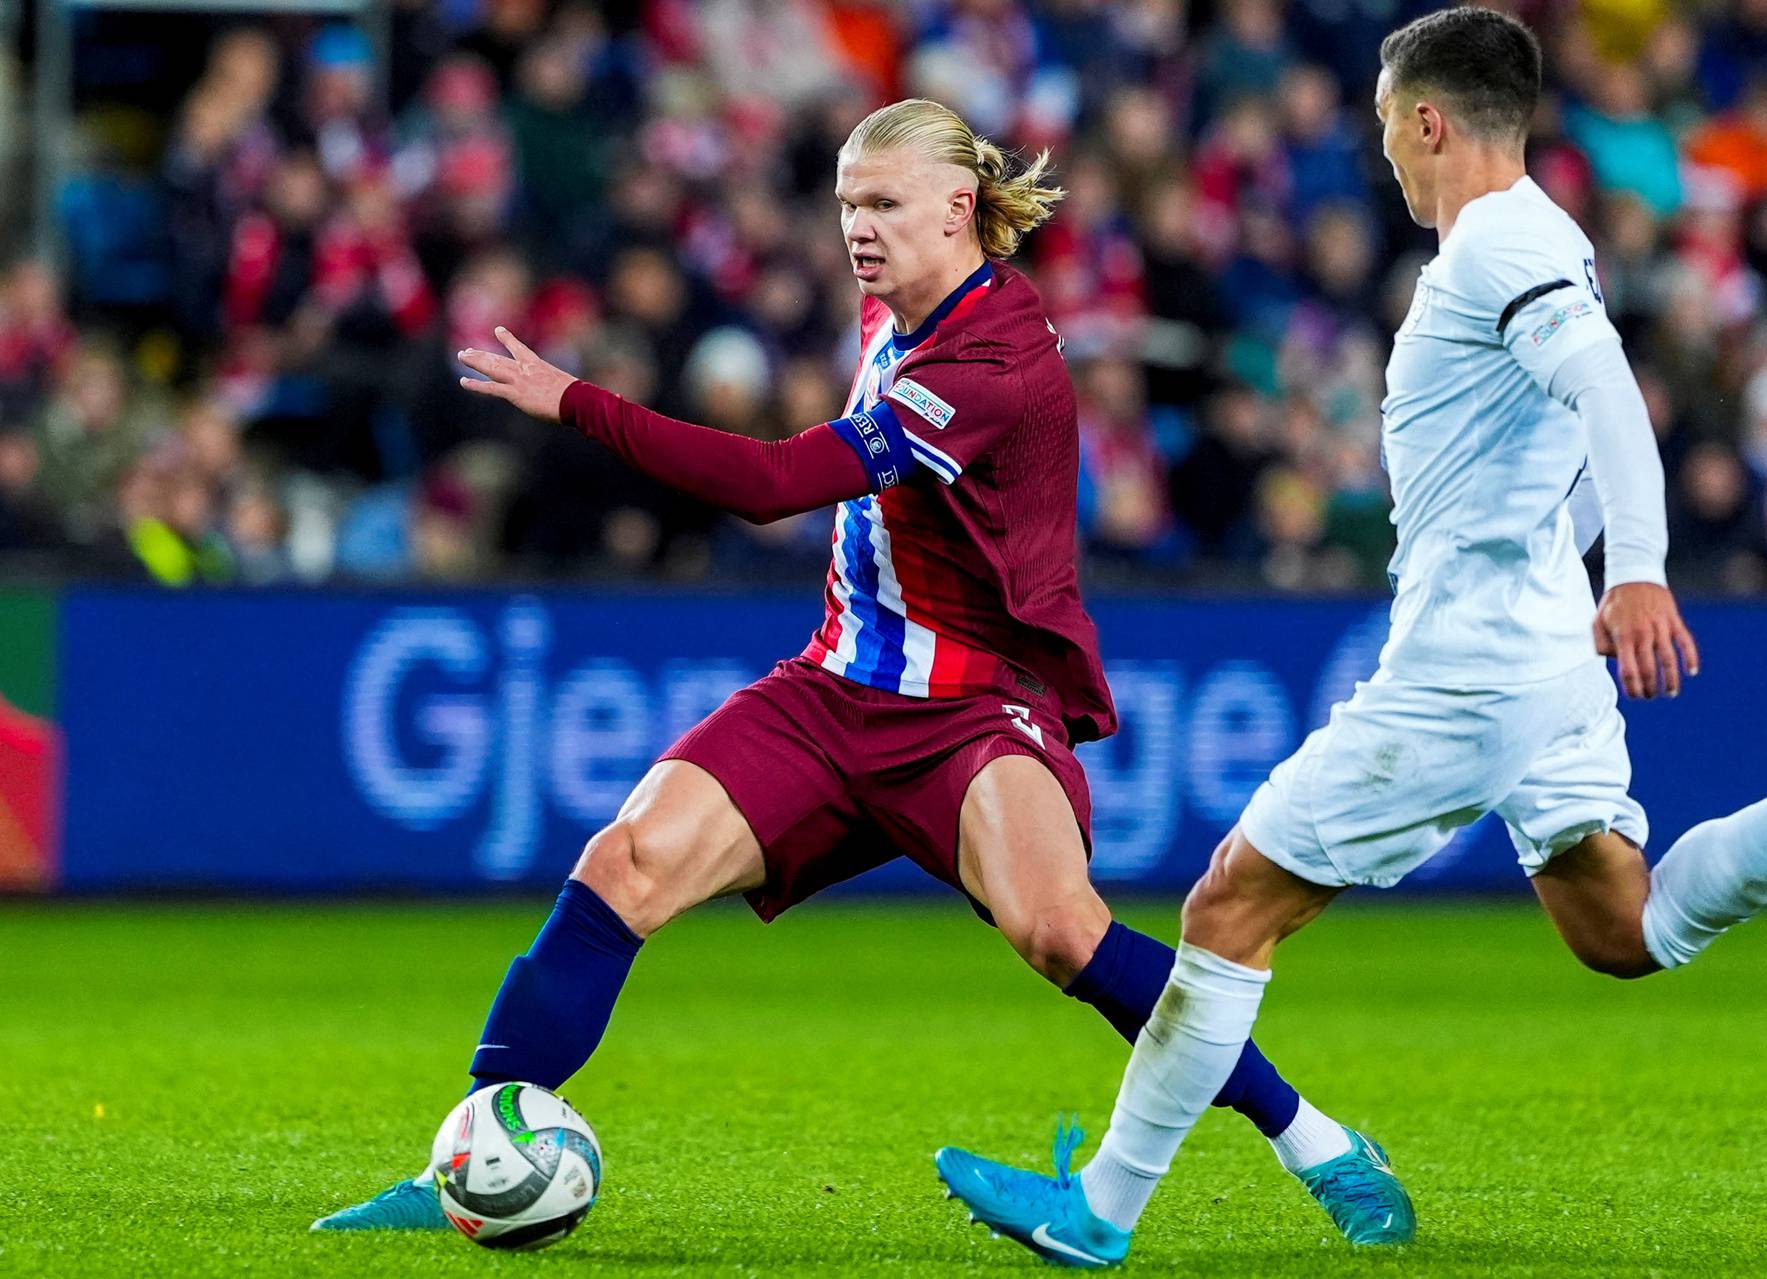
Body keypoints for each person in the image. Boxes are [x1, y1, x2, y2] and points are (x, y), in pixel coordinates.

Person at [312, 98, 1408, 1244]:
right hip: (835, 692)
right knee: (624, 861)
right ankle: (473, 1155)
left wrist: (575, 400)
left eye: (882, 204)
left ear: (959, 209)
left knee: (1057, 930)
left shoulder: (992, 357)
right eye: (846, 205)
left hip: (977, 711)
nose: (857, 229)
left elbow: (775, 485)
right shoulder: (897, 313)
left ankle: (1319, 1141)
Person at [932, 10, 1767, 1268]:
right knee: (1626, 929)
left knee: (1226, 906)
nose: (1382, 147)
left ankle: (1102, 1212)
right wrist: (1585, 576)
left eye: (1389, 122)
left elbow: (1608, 393)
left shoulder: (1495, 246)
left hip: (1477, 659)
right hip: (1543, 642)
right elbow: (1558, 428)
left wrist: (1645, 573)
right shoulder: (1545, 234)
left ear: (1431, 121)